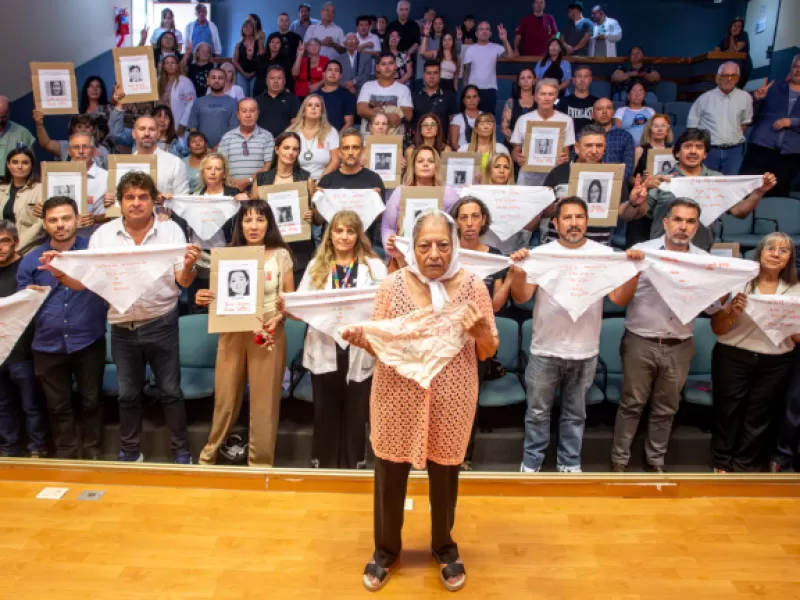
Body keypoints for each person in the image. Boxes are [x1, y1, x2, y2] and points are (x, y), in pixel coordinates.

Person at [344, 209, 498, 593]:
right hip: (396, 396)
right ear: (412, 248)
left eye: (443, 244)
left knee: (446, 477)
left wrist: (481, 334)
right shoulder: (391, 286)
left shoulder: (474, 287)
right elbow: (380, 343)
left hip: (453, 397)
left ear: (455, 245)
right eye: (425, 245)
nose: (434, 253)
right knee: (389, 477)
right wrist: (366, 340)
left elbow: (487, 350)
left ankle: (444, 548)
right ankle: (385, 551)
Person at [41, 172, 200, 463]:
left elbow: (184, 281)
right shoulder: (103, 236)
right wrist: (59, 272)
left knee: (170, 392)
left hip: (161, 321)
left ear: (153, 200)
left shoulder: (172, 232)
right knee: (128, 396)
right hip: (121, 327)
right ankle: (130, 453)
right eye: (130, 197)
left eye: (142, 197)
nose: (136, 203)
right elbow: (85, 283)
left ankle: (181, 452)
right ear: (120, 202)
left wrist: (189, 266)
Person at [510, 197, 642, 473]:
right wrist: (518, 273)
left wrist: (633, 272)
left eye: (579, 217)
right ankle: (531, 463)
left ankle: (569, 464)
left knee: (575, 415)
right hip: (545, 349)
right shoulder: (541, 254)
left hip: (585, 351)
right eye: (567, 218)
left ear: (586, 222)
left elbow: (618, 299)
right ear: (556, 224)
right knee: (536, 414)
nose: (573, 223)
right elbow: (522, 297)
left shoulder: (604, 256)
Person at [280, 210, 386, 469]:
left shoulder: (374, 266)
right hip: (325, 345)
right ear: (330, 234)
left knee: (356, 412)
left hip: (359, 346)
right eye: (339, 231)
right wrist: (287, 307)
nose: (344, 236)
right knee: (325, 412)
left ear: (358, 235)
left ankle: (354, 465)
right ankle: (324, 466)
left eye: (350, 231)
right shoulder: (317, 267)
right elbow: (302, 310)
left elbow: (385, 306)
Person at [609, 198, 708, 473]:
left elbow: (712, 305)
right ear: (666, 222)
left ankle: (655, 461)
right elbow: (618, 298)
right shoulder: (641, 252)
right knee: (631, 404)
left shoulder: (704, 261)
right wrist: (635, 270)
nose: (682, 227)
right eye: (677, 220)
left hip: (680, 344)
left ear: (696, 226)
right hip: (641, 340)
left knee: (666, 409)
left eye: (690, 222)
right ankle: (619, 461)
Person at [194, 200, 293, 466]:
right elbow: (215, 295)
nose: (253, 226)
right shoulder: (227, 255)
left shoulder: (281, 255)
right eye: (247, 220)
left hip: (268, 330)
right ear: (239, 224)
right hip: (232, 328)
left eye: (260, 220)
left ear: (269, 224)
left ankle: (260, 463)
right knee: (225, 396)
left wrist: (281, 317)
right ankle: (208, 457)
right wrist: (203, 297)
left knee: (265, 401)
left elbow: (291, 301)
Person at [17, 196, 106, 460]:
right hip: (47, 343)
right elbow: (21, 307)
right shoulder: (31, 260)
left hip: (88, 339)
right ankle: (66, 456)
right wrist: (28, 296)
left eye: (66, 218)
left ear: (78, 219)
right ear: (44, 223)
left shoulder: (94, 253)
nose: (60, 225)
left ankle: (93, 455)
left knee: (92, 402)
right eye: (53, 220)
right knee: (58, 407)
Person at [710, 232, 799, 473]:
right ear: (759, 252)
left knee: (759, 415)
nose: (775, 254)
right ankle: (721, 463)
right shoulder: (738, 283)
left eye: (783, 250)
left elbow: (798, 338)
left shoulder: (796, 289)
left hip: (777, 361)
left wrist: (789, 326)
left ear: (790, 258)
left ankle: (744, 464)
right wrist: (731, 313)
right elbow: (718, 329)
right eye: (770, 248)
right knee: (727, 412)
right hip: (733, 355)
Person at [620, 128, 776, 251]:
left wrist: (759, 192)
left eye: (699, 147)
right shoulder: (661, 179)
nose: (693, 151)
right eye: (687, 146)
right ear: (677, 153)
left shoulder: (717, 179)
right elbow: (631, 215)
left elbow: (739, 212)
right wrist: (635, 202)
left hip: (701, 252)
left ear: (705, 154)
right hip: (663, 252)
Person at [543, 124, 646, 245]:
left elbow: (624, 214)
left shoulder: (613, 174)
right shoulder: (558, 172)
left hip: (598, 248)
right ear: (577, 147)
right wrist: (557, 207)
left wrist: (633, 204)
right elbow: (543, 212)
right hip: (558, 247)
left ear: (604, 148)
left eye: (599, 146)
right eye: (588, 145)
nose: (594, 151)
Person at [0, 220, 47, 458]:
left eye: (4, 241)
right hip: (0, 353)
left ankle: (37, 448)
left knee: (31, 405)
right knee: (4, 405)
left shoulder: (27, 268)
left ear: (16, 242)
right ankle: (9, 448)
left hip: (24, 351)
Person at [171, 153, 240, 315]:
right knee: (200, 305)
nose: (213, 172)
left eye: (218, 169)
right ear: (203, 172)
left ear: (224, 173)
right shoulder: (193, 198)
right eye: (209, 168)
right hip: (199, 257)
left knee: (224, 303)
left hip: (226, 256)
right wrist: (170, 201)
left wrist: (246, 200)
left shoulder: (234, 195)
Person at [252, 132, 316, 282]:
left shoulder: (306, 179)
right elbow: (253, 211)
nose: (290, 153)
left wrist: (312, 215)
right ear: (277, 149)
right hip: (269, 245)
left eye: (295, 149)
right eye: (286, 148)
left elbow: (317, 216)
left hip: (300, 249)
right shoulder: (261, 179)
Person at [381, 146, 460, 255]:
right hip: (404, 253)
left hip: (439, 254)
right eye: (420, 161)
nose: (425, 164)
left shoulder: (448, 192)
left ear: (436, 166)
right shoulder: (400, 192)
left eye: (430, 161)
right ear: (413, 165)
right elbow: (387, 227)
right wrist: (389, 243)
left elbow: (457, 226)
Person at [740, 60, 800, 198]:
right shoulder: (774, 88)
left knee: (778, 193)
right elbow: (752, 117)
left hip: (790, 153)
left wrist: (791, 122)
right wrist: (757, 99)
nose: (798, 70)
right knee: (746, 189)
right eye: (795, 66)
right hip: (761, 146)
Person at [687, 62, 752, 175]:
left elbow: (744, 123)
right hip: (709, 150)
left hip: (734, 152)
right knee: (706, 186)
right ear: (717, 78)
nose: (729, 79)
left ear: (737, 79)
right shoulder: (704, 99)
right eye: (725, 75)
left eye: (733, 76)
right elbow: (692, 126)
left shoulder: (745, 98)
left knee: (730, 187)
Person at [510, 78, 575, 186]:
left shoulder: (566, 120)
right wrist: (517, 157)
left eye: (551, 94)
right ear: (535, 97)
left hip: (555, 175)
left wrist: (564, 159)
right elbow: (515, 150)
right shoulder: (523, 119)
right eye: (543, 94)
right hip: (528, 176)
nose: (547, 98)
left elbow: (566, 152)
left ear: (556, 97)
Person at [218, 98, 275, 192]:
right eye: (244, 111)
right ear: (238, 115)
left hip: (258, 188)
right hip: (231, 187)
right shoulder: (227, 137)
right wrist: (232, 182)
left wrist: (249, 180)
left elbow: (268, 165)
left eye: (252, 111)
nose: (248, 115)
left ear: (258, 113)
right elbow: (220, 163)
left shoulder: (267, 136)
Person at [65, 133, 112, 237]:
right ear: (69, 151)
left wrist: (96, 218)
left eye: (85, 147)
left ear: (94, 151)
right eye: (76, 147)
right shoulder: (57, 177)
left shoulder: (107, 177)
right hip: (64, 238)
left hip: (97, 237)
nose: (81, 151)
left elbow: (119, 212)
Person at [462, 21, 515, 114]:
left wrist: (504, 40)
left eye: (487, 29)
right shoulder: (470, 50)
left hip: (490, 90)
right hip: (473, 89)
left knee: (488, 120)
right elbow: (466, 71)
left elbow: (510, 56)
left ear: (490, 33)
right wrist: (465, 90)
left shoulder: (496, 47)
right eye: (481, 29)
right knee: (471, 119)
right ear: (476, 33)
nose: (484, 31)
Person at [357, 52, 414, 135]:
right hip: (368, 138)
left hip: (394, 141)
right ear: (377, 67)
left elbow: (408, 115)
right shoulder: (367, 86)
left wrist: (373, 113)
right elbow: (361, 110)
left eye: (390, 63)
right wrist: (388, 117)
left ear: (395, 66)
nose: (387, 67)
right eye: (383, 64)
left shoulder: (403, 89)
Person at [287, 95, 341, 182]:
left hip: (323, 181)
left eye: (317, 105)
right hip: (296, 181)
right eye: (309, 105)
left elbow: (336, 160)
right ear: (304, 110)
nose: (313, 108)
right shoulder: (292, 132)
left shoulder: (331, 132)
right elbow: (284, 161)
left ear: (322, 111)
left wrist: (320, 181)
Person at [0, 148, 42, 255]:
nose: (19, 167)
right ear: (8, 165)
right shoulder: (1, 189)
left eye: (25, 163)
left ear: (31, 165)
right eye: (15, 162)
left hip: (29, 250)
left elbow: (40, 225)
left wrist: (16, 246)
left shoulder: (40, 189)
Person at [33, 112, 109, 169]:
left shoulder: (102, 150)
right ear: (73, 129)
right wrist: (39, 125)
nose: (83, 129)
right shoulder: (65, 146)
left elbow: (109, 172)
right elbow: (46, 144)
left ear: (93, 129)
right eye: (79, 126)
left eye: (87, 126)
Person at [187, 68, 240, 149]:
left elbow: (233, 130)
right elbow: (193, 127)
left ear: (225, 81)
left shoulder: (233, 103)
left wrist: (218, 147)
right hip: (201, 151)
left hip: (225, 149)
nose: (216, 80)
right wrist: (200, 146)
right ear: (208, 80)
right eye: (213, 77)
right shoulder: (198, 102)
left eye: (220, 78)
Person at [593, 97, 636, 180]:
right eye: (599, 109)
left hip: (618, 183)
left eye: (608, 108)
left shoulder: (625, 137)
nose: (604, 112)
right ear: (593, 115)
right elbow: (575, 163)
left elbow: (628, 169)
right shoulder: (583, 135)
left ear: (612, 113)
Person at [256, 66, 301, 138]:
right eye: (272, 78)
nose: (275, 81)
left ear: (285, 81)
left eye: (279, 78)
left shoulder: (293, 99)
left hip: (284, 143)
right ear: (266, 81)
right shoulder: (257, 101)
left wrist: (282, 139)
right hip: (260, 142)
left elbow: (295, 125)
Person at [157, 55, 196, 132]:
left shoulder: (185, 82)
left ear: (177, 66)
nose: (170, 65)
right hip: (161, 121)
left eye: (173, 63)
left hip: (178, 122)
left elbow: (191, 104)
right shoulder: (159, 81)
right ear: (163, 67)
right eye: (167, 63)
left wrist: (183, 124)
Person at [0, 97, 35, 177]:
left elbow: (31, 163)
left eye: (3, 117)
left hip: (13, 183)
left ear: (9, 113)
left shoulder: (22, 133)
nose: (0, 121)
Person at [612, 82, 655, 146]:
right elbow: (617, 131)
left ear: (644, 95)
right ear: (628, 96)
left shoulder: (650, 111)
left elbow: (655, 130)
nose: (637, 94)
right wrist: (633, 123)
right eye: (634, 91)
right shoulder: (620, 111)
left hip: (647, 147)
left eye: (640, 91)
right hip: (626, 148)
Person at [501, 69, 536, 147]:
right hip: (513, 146)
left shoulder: (540, 102)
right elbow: (504, 129)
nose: (526, 81)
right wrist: (518, 147)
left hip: (535, 146)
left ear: (534, 81)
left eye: (529, 77)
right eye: (522, 78)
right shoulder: (511, 102)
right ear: (519, 82)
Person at [557, 66, 597, 134]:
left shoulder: (597, 102)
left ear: (590, 80)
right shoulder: (563, 102)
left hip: (591, 140)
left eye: (586, 76)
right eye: (579, 76)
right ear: (573, 80)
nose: (582, 80)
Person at [318, 61, 357, 131]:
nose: (333, 73)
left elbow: (349, 123)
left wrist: (335, 139)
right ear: (323, 74)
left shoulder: (347, 96)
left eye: (336, 70)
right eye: (330, 70)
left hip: (338, 138)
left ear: (340, 76)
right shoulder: (314, 96)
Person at [715, 17, 752, 89]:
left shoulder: (743, 35)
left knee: (737, 88)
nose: (736, 28)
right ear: (731, 26)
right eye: (735, 25)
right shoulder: (726, 37)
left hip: (743, 67)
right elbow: (716, 50)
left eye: (739, 26)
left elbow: (735, 50)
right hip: (729, 67)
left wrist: (732, 37)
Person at [233, 18, 260, 97]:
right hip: (242, 74)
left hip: (255, 74)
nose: (247, 29)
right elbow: (235, 61)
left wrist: (253, 73)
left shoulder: (258, 43)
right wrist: (244, 73)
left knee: (253, 97)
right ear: (242, 29)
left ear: (253, 29)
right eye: (245, 27)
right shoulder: (238, 45)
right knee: (242, 98)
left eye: (250, 27)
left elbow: (262, 59)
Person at [449, 85, 481, 150]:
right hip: (462, 156)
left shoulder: (485, 117)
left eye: (474, 97)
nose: (472, 100)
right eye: (468, 97)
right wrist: (466, 155)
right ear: (463, 100)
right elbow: (454, 143)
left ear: (479, 99)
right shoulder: (457, 119)